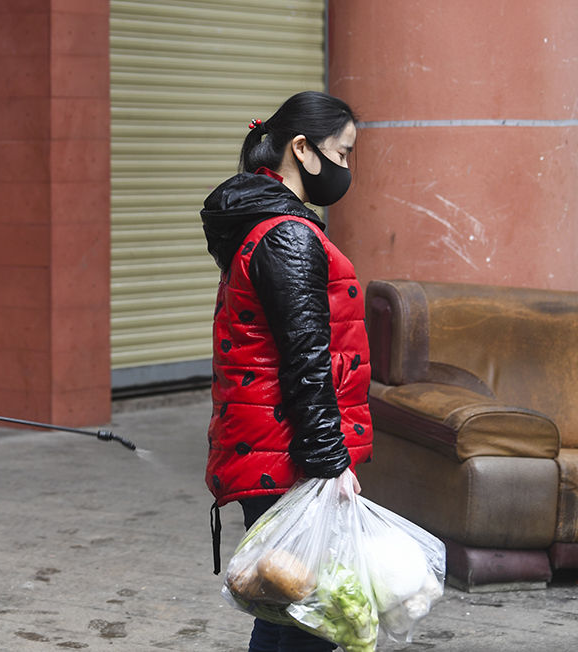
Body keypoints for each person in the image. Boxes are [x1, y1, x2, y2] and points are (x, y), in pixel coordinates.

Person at [200, 91, 373, 652]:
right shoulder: (288, 235)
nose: (347, 169)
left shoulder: (268, 225)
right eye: (342, 154)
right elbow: (307, 357)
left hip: (270, 446)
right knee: (309, 617)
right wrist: (329, 463)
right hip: (288, 455)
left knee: (285, 610)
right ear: (302, 148)